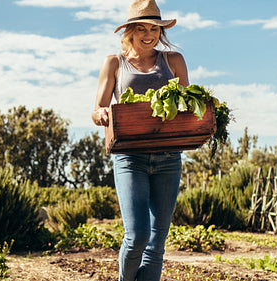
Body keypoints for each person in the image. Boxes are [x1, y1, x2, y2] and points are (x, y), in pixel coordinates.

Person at [91, 0, 189, 280]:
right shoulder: (114, 62)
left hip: (168, 157)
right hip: (129, 156)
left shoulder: (174, 61)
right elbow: (98, 108)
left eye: (154, 29)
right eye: (142, 28)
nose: (149, 35)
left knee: (157, 242)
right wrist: (100, 114)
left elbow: (182, 105)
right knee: (137, 236)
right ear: (130, 31)